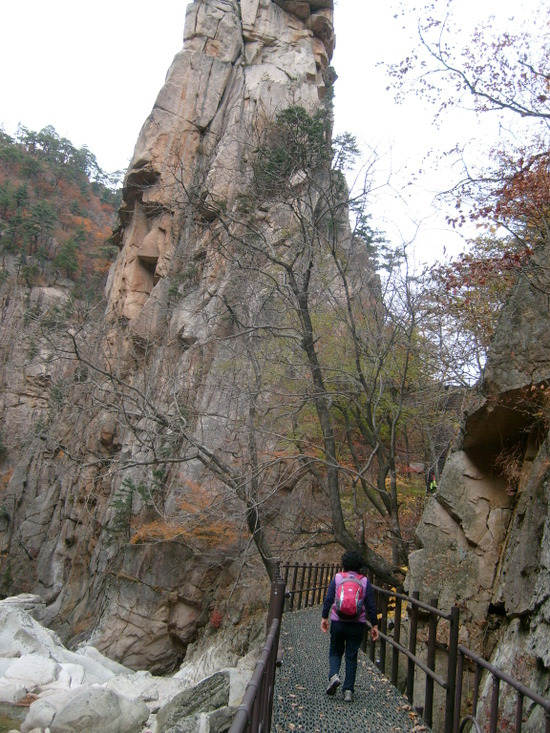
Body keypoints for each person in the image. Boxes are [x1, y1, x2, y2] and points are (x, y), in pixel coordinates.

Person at [320, 550, 379, 702]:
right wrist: (374, 625)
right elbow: (371, 605)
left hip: (338, 621)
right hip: (357, 624)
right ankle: (348, 691)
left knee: (335, 651)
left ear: (344, 563)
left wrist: (324, 617)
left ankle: (334, 676)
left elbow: (328, 599)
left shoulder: (338, 578)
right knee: (351, 656)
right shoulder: (364, 581)